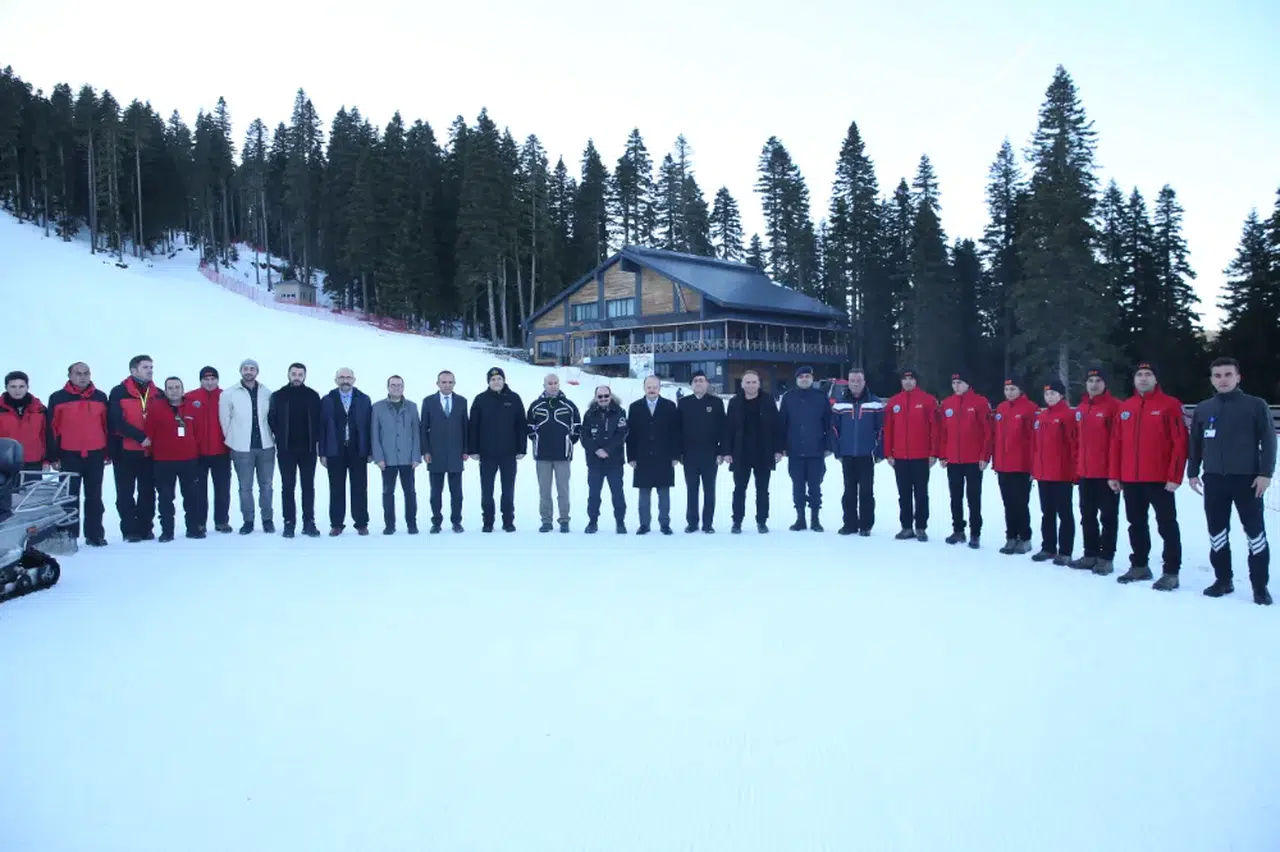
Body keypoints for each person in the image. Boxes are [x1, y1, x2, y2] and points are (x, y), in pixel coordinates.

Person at [1187, 356, 1276, 606]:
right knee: (1217, 532)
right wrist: (1193, 471)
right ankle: (1223, 580)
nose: (1222, 380)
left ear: (1238, 377)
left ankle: (1260, 586)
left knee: (1255, 533)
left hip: (1248, 480)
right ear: (1212, 380)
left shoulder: (1255, 405)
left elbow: (1269, 441)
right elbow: (1195, 442)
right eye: (1217, 376)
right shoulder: (1204, 408)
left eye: (1228, 375)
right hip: (1214, 479)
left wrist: (1265, 474)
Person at [1108, 361, 1188, 591]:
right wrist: (1114, 473)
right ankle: (1140, 565)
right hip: (1131, 478)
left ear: (1156, 379)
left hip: (1159, 478)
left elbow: (1180, 443)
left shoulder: (1169, 405)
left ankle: (1171, 571)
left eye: (1148, 374)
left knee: (1166, 524)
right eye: (1139, 375)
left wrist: (1174, 476)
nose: (1143, 378)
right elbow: (1116, 443)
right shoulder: (1126, 407)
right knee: (1136, 523)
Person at [45, 362, 109, 547]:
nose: (82, 377)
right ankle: (67, 535)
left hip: (95, 454)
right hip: (68, 454)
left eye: (86, 373)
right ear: (70, 375)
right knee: (68, 497)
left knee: (95, 496)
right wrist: (53, 455)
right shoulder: (58, 398)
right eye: (78, 373)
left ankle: (95, 534)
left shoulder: (100, 397)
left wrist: (108, 452)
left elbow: (106, 426)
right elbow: (52, 428)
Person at [219, 358, 276, 534]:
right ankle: (248, 520)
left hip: (265, 446)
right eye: (245, 368)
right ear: (240, 371)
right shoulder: (229, 394)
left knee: (266, 485)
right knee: (245, 487)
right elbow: (225, 420)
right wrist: (234, 439)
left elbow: (273, 418)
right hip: (242, 448)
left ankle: (267, 519)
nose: (249, 371)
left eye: (252, 369)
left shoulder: (267, 392)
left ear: (257, 372)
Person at [1073, 366, 1121, 574]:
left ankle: (1106, 557)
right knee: (1087, 515)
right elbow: (1077, 441)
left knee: (1108, 516)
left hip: (1106, 474)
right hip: (1085, 472)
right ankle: (1090, 553)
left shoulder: (1114, 407)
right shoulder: (1082, 408)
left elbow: (1118, 442)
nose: (1094, 385)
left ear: (1105, 384)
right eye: (1090, 381)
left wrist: (1114, 473)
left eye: (1098, 381)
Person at [722, 370, 783, 534]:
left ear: (759, 383)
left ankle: (762, 521)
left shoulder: (768, 400)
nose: (750, 385)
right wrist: (727, 451)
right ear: (742, 384)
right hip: (740, 453)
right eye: (747, 382)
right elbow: (728, 429)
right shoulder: (735, 402)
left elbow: (777, 426)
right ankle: (737, 521)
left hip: (764, 452)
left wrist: (778, 449)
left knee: (762, 489)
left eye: (754, 382)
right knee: (739, 489)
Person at [937, 370, 992, 548]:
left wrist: (984, 456)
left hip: (973, 459)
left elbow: (987, 432)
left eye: (960, 383)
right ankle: (958, 529)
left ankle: (975, 532)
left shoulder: (979, 402)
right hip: (953, 459)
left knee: (973, 497)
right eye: (954, 383)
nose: (957, 386)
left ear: (968, 384)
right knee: (955, 496)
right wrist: (943, 454)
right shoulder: (947, 404)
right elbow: (943, 432)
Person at [468, 367, 527, 533]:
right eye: (493, 379)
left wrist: (521, 448)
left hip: (509, 453)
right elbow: (473, 426)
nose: (496, 382)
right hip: (487, 454)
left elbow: (521, 425)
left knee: (508, 489)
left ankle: (508, 521)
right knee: (487, 489)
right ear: (489, 382)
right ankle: (488, 521)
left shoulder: (514, 399)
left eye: (499, 379)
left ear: (504, 380)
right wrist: (473, 449)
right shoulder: (480, 399)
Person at [267, 363, 322, 538]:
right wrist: (281, 437)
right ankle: (289, 523)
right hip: (286, 449)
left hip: (308, 449)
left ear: (305, 376)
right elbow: (272, 419)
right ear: (288, 375)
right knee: (288, 486)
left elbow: (319, 421)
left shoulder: (313, 396)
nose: (297, 377)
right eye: (294, 374)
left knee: (308, 487)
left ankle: (309, 522)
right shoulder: (279, 396)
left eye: (300, 374)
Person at [108, 354, 160, 542]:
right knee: (125, 493)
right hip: (125, 452)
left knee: (147, 492)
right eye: (146, 367)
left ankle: (146, 528)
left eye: (151, 367)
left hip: (149, 453)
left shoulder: (158, 393)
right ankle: (130, 530)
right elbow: (116, 421)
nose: (150, 371)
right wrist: (140, 437)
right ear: (133, 370)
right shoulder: (119, 392)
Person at [144, 377, 202, 542]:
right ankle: (167, 531)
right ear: (165, 390)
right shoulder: (156, 408)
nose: (174, 390)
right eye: (170, 388)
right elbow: (149, 432)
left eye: (177, 387)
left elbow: (198, 433)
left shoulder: (192, 406)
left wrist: (196, 451)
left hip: (189, 460)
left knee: (191, 496)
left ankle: (193, 528)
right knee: (165, 497)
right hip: (164, 461)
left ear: (183, 389)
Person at [883, 368, 938, 542]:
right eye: (905, 379)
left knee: (921, 493)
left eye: (911, 379)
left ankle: (921, 527)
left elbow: (934, 429)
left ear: (916, 381)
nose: (908, 382)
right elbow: (888, 429)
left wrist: (933, 453)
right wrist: (888, 452)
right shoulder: (894, 402)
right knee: (904, 494)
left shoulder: (928, 401)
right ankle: (906, 527)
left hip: (921, 456)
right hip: (899, 456)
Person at [319, 367, 373, 536]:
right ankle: (336, 523)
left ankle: (361, 523)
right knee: (336, 488)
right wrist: (322, 453)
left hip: (358, 450)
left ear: (354, 380)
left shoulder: (364, 399)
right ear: (336, 380)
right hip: (335, 450)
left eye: (348, 377)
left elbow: (369, 427)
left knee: (359, 487)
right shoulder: (327, 400)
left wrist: (370, 450)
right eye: (341, 377)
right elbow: (322, 428)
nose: (345, 380)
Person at [1030, 380, 1079, 566]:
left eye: (1053, 394)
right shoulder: (1041, 417)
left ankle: (1065, 551)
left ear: (1061, 395)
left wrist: (1074, 472)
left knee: (1064, 513)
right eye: (1047, 394)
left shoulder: (1068, 415)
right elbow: (1035, 446)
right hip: (1043, 473)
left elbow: (1074, 445)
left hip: (1062, 473)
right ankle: (1048, 547)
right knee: (1047, 512)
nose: (1049, 397)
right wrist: (1035, 469)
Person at [830, 368, 884, 536]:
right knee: (849, 490)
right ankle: (850, 524)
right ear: (848, 382)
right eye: (852, 380)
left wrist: (879, 451)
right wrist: (837, 451)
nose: (855, 383)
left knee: (866, 491)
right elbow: (833, 428)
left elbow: (882, 429)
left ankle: (866, 525)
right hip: (847, 454)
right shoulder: (839, 403)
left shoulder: (874, 403)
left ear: (864, 382)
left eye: (858, 380)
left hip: (867, 454)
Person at [778, 365, 832, 532]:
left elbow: (829, 424)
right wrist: (782, 447)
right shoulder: (788, 398)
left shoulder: (821, 397)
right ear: (797, 379)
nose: (804, 379)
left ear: (812, 378)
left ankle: (815, 519)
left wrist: (828, 446)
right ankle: (800, 519)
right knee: (798, 485)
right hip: (794, 450)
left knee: (815, 486)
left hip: (816, 450)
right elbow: (782, 424)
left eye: (807, 376)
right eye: (801, 377)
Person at [626, 375, 680, 535]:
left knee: (664, 493)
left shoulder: (670, 406)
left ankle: (665, 524)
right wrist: (631, 457)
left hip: (664, 457)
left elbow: (675, 433)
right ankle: (644, 524)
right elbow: (631, 434)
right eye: (649, 387)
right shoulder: (635, 407)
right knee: (644, 494)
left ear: (659, 388)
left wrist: (676, 456)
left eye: (655, 387)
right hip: (642, 457)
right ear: (644, 388)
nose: (652, 389)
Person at [527, 372, 581, 533]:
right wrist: (535, 438)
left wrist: (570, 441)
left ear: (559, 384)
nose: (553, 386)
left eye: (555, 383)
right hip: (542, 455)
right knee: (544, 490)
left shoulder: (569, 405)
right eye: (549, 383)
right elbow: (529, 426)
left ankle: (564, 520)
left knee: (563, 490)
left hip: (563, 456)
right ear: (544, 385)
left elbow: (577, 426)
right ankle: (546, 520)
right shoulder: (536, 405)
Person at [371, 375, 421, 535]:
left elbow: (416, 434)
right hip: (387, 459)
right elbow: (374, 434)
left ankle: (412, 523)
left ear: (403, 387)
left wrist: (416, 456)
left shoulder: (412, 407)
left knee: (410, 492)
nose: (396, 388)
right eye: (393, 385)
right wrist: (378, 457)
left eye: (399, 385)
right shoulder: (378, 407)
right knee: (388, 492)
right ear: (388, 387)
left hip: (407, 458)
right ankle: (389, 524)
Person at [185, 366, 232, 534]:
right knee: (199, 490)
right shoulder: (190, 397)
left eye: (213, 379)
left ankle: (222, 521)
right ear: (201, 380)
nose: (210, 382)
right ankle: (200, 522)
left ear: (217, 380)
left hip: (222, 451)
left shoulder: (226, 396)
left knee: (222, 488)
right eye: (206, 379)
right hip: (198, 453)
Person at [677, 370, 726, 533]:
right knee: (692, 490)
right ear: (691, 385)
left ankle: (708, 523)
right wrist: (679, 453)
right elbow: (677, 429)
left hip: (710, 455)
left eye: (702, 380)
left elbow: (723, 430)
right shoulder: (683, 403)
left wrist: (721, 452)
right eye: (695, 380)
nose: (698, 383)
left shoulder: (716, 403)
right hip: (689, 455)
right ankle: (692, 522)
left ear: (707, 384)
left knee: (709, 490)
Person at [992, 378, 1037, 555]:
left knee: (1021, 503)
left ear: (1020, 390)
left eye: (1013, 389)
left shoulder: (1030, 409)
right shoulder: (1001, 408)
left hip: (1021, 465)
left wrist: (1033, 467)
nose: (1009, 392)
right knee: (1008, 503)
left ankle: (1025, 537)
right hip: (1003, 465)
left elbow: (1034, 440)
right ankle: (1011, 536)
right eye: (1007, 389)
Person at [420, 370, 468, 534]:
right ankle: (436, 522)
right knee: (435, 493)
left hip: (456, 453)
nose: (447, 385)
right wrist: (425, 450)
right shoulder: (428, 401)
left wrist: (466, 450)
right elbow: (423, 428)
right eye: (444, 382)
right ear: (438, 383)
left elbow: (465, 427)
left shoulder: (462, 401)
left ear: (454, 383)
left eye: (450, 382)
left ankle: (456, 521)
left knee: (456, 493)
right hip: (435, 454)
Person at [580, 384, 629, 534]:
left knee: (617, 493)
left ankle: (620, 522)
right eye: (600, 396)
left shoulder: (619, 412)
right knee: (594, 494)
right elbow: (584, 436)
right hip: (595, 462)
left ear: (611, 396)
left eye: (606, 396)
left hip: (614, 461)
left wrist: (607, 450)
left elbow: (621, 434)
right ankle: (592, 522)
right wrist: (596, 450)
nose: (603, 399)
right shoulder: (589, 414)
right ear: (596, 398)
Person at [1, 371, 47, 471]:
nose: (17, 390)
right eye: (13, 386)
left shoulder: (39, 409)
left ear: (27, 387)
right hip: (4, 464)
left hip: (34, 462)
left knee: (33, 487)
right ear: (6, 387)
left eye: (21, 386)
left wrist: (47, 460)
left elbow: (46, 435)